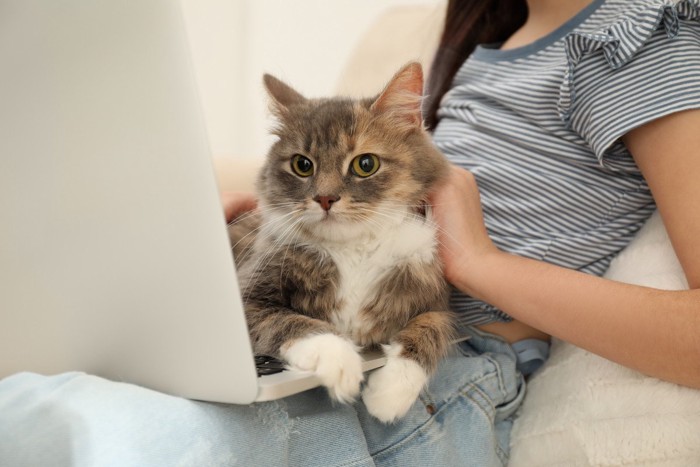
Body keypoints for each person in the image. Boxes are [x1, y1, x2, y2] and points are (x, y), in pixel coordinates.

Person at [1, 0, 698, 465]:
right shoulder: (498, 32)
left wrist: (478, 264)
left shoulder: (639, 38)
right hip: (343, 330)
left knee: (73, 428)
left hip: (445, 368)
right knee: (33, 397)